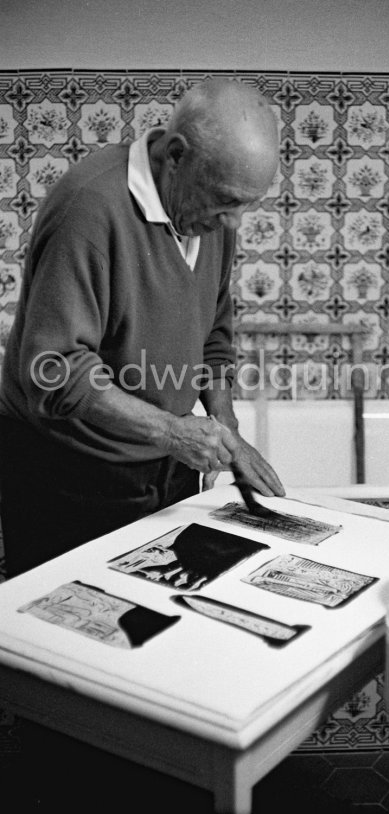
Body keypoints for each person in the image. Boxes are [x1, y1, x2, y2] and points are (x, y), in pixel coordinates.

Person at [0, 78, 285, 578]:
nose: (236, 222)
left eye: (247, 204)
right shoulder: (88, 209)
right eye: (227, 201)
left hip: (160, 462)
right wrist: (173, 431)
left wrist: (227, 429)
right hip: (66, 469)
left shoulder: (208, 217)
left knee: (155, 625)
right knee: (68, 632)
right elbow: (53, 373)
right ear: (176, 156)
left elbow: (213, 333)